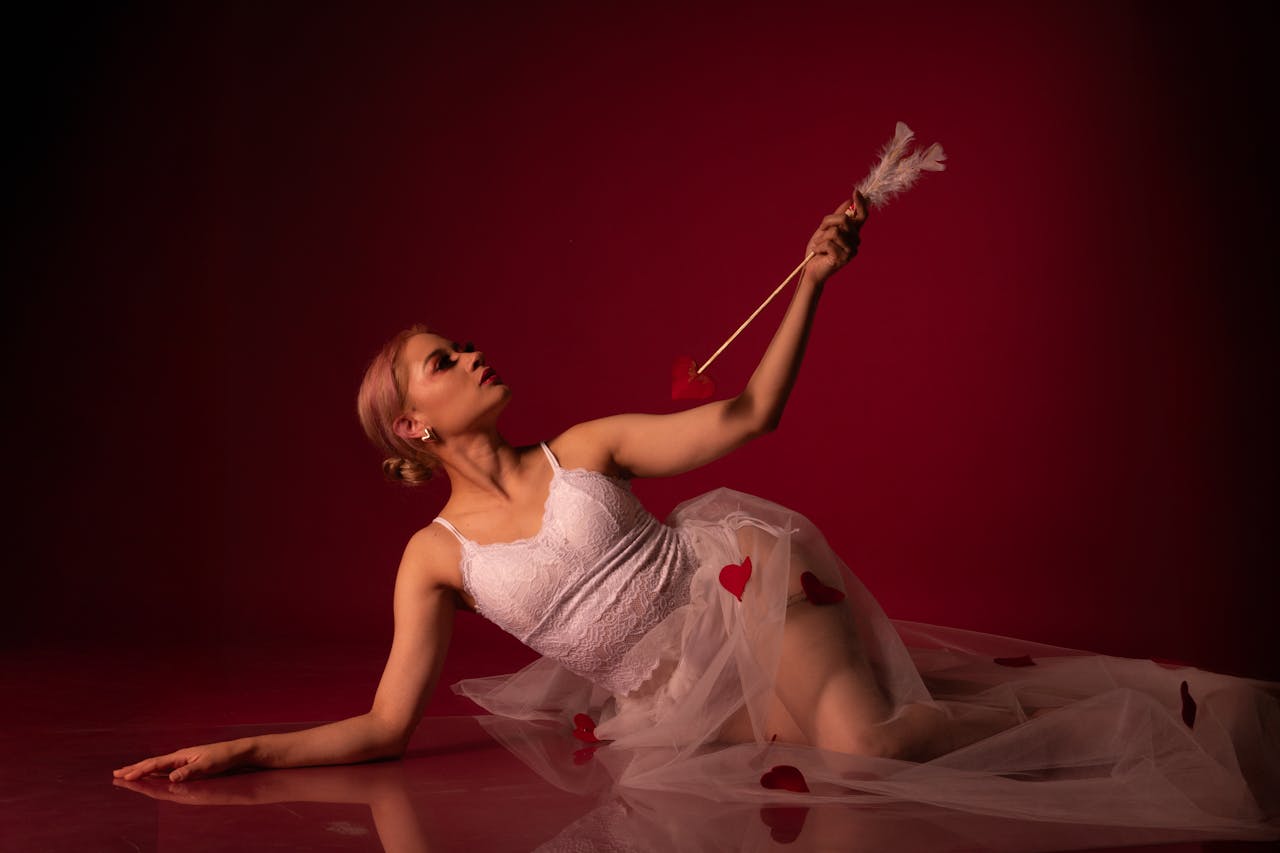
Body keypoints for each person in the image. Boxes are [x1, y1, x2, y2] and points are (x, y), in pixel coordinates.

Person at [112, 193, 1280, 841]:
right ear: (411, 424)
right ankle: (1156, 703)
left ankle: (1160, 727)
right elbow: (382, 726)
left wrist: (811, 280)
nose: (471, 354)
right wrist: (240, 751)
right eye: (442, 359)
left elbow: (751, 414)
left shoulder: (583, 448)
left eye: (463, 342)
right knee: (905, 727)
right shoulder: (434, 558)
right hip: (682, 699)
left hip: (746, 592)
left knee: (868, 751)